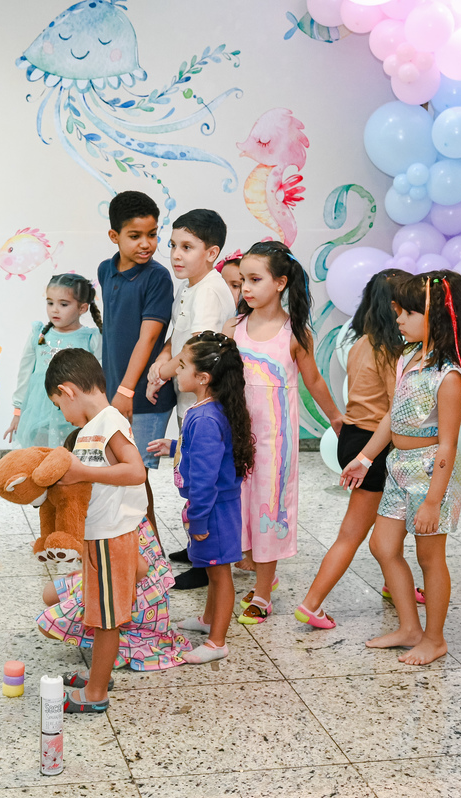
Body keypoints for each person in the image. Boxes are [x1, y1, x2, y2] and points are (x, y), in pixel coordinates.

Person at [342, 271, 461, 666]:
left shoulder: (449, 376)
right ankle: (409, 628)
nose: (399, 320)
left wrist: (433, 501)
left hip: (431, 474)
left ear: (436, 318)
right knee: (382, 545)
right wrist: (365, 458)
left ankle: (434, 638)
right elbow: (392, 415)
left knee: (430, 558)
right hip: (399, 467)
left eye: (408, 313)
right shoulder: (408, 357)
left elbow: (448, 444)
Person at [226, 241, 343, 624]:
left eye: (255, 279)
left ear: (280, 283)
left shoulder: (295, 333)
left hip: (275, 444)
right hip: (235, 437)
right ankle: (256, 569)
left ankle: (263, 593)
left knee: (268, 507)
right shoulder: (233, 328)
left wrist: (336, 419)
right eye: (242, 280)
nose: (246, 288)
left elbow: (315, 381)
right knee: (237, 505)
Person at [296, 269, 408, 629]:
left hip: (354, 436)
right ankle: (311, 603)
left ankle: (394, 584)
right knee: (352, 533)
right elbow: (397, 409)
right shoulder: (392, 351)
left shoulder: (363, 341)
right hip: (373, 446)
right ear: (396, 306)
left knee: (392, 519)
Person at [45, 349, 149, 713]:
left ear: (68, 391)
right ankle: (98, 676)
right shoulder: (90, 430)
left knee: (106, 620)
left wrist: (83, 472)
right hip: (99, 537)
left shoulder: (110, 421)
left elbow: (136, 471)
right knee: (99, 613)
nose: (63, 414)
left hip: (110, 537)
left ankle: (96, 694)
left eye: (59, 405)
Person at [37, 431, 191, 674]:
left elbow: (138, 570)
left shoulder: (107, 515)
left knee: (47, 624)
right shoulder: (119, 498)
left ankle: (120, 643)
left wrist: (95, 590)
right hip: (120, 580)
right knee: (49, 593)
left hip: (132, 598)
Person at [147, 332, 254, 663]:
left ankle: (217, 642)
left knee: (219, 575)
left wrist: (199, 520)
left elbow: (206, 479)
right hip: (213, 507)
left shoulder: (205, 417)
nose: (176, 372)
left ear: (203, 378)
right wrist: (174, 447)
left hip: (213, 511)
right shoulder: (207, 410)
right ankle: (209, 619)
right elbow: (207, 453)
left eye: (182, 366)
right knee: (210, 568)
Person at [145, 210, 237, 589]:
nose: (176, 254)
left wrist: (162, 373)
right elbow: (178, 335)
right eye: (173, 245)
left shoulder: (211, 290)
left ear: (212, 253)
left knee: (203, 476)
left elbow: (196, 348)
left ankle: (206, 562)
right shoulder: (188, 287)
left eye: (187, 247)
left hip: (206, 399)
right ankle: (195, 545)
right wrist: (161, 360)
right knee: (189, 468)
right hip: (189, 398)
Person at [97, 191, 173, 534]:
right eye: (135, 235)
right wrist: (113, 390)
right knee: (120, 475)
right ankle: (127, 548)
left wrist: (127, 390)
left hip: (143, 395)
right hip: (116, 392)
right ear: (114, 236)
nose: (146, 243)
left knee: (135, 477)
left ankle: (151, 553)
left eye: (152, 234)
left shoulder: (157, 277)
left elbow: (148, 339)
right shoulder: (105, 270)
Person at [4, 273, 102, 448]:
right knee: (40, 454)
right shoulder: (39, 335)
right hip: (39, 415)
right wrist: (18, 412)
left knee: (71, 454)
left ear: (82, 308)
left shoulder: (91, 338)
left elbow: (98, 382)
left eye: (63, 304)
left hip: (75, 413)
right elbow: (24, 375)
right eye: (50, 303)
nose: (54, 310)